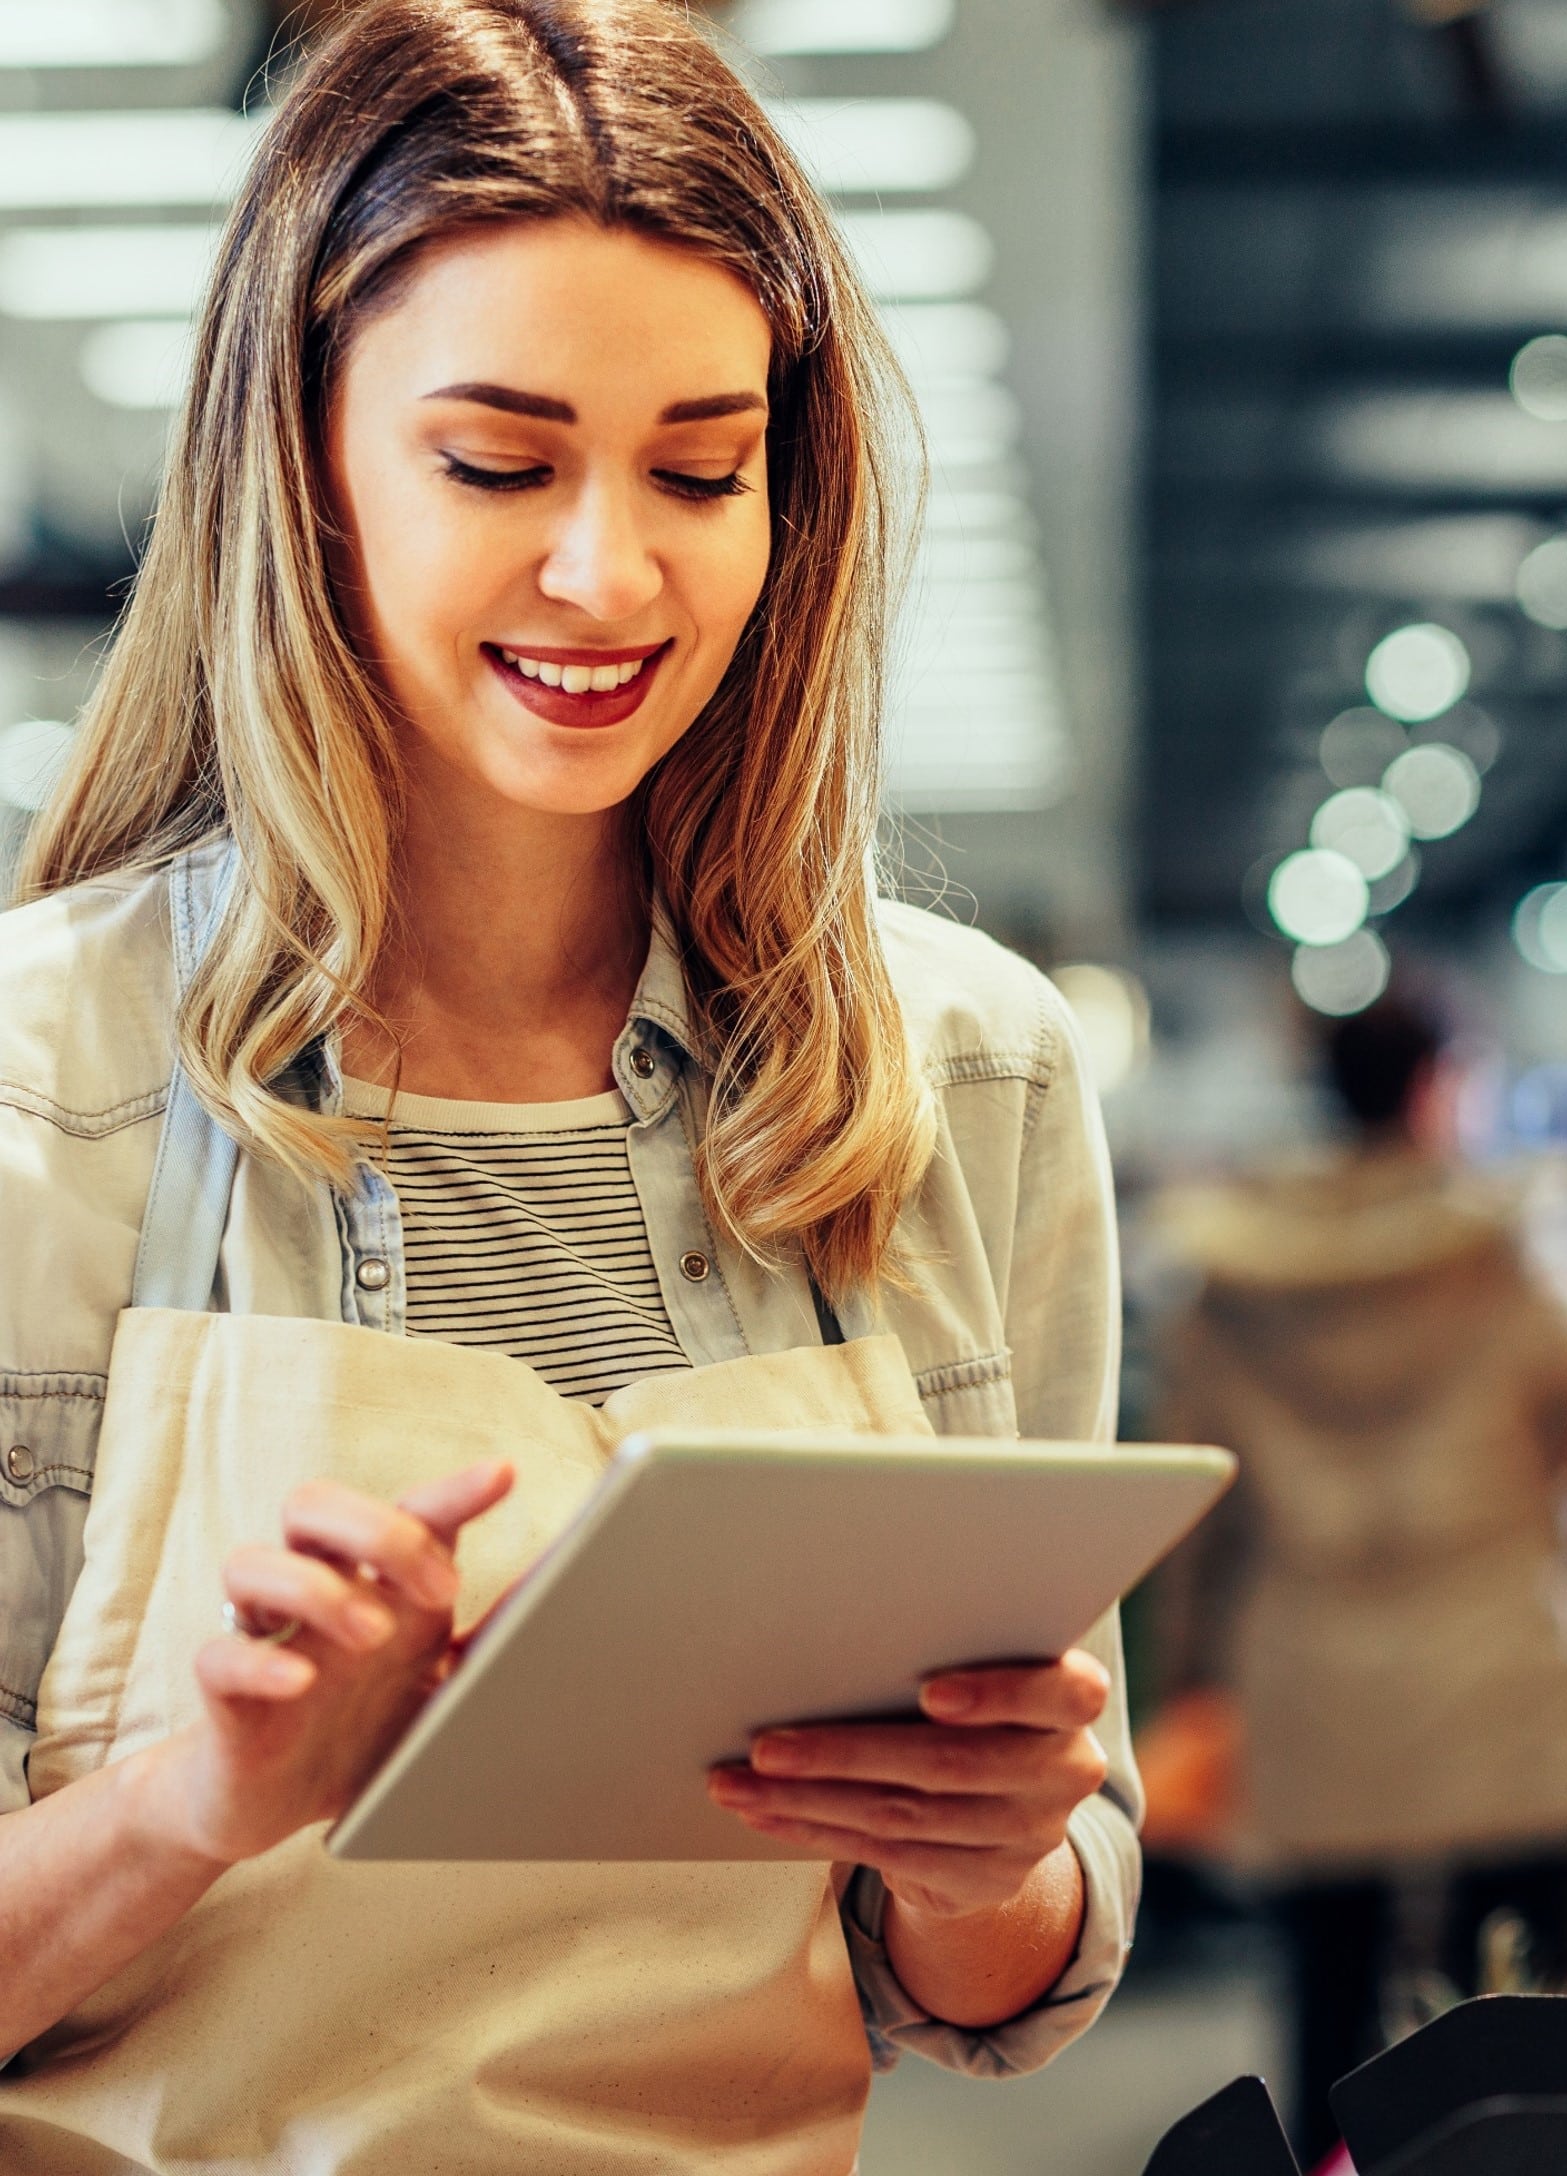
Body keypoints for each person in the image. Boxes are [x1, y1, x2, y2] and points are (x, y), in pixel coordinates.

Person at [0, 5, 1136, 2169]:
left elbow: (973, 1990)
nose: (611, 573)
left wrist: (989, 1857)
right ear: (303, 462)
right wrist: (192, 1803)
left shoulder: (957, 1076)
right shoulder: (38, 1092)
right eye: (496, 462)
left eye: (701, 469)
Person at [1151, 991, 1567, 2163]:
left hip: (1313, 1666)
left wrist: (1189, 1678)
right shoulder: (1507, 1243)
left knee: (1324, 1991)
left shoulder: (1230, 1276)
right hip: (1499, 1661)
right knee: (1510, 2005)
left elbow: (1192, 1501)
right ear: (1437, 1085)